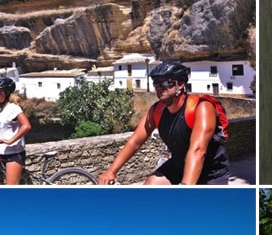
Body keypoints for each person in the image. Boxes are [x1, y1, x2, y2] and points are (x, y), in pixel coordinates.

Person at [98, 61, 231, 185]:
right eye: (156, 83)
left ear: (181, 84)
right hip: (179, 166)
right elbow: (135, 142)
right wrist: (111, 171)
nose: (160, 87)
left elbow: (198, 151)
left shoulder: (201, 108)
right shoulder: (157, 110)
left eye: (167, 82)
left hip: (211, 174)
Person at [0, 78, 31, 185]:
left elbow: (26, 126)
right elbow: (5, 129)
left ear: (7, 92)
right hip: (4, 153)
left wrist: (11, 140)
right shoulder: (3, 109)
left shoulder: (13, 108)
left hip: (14, 153)